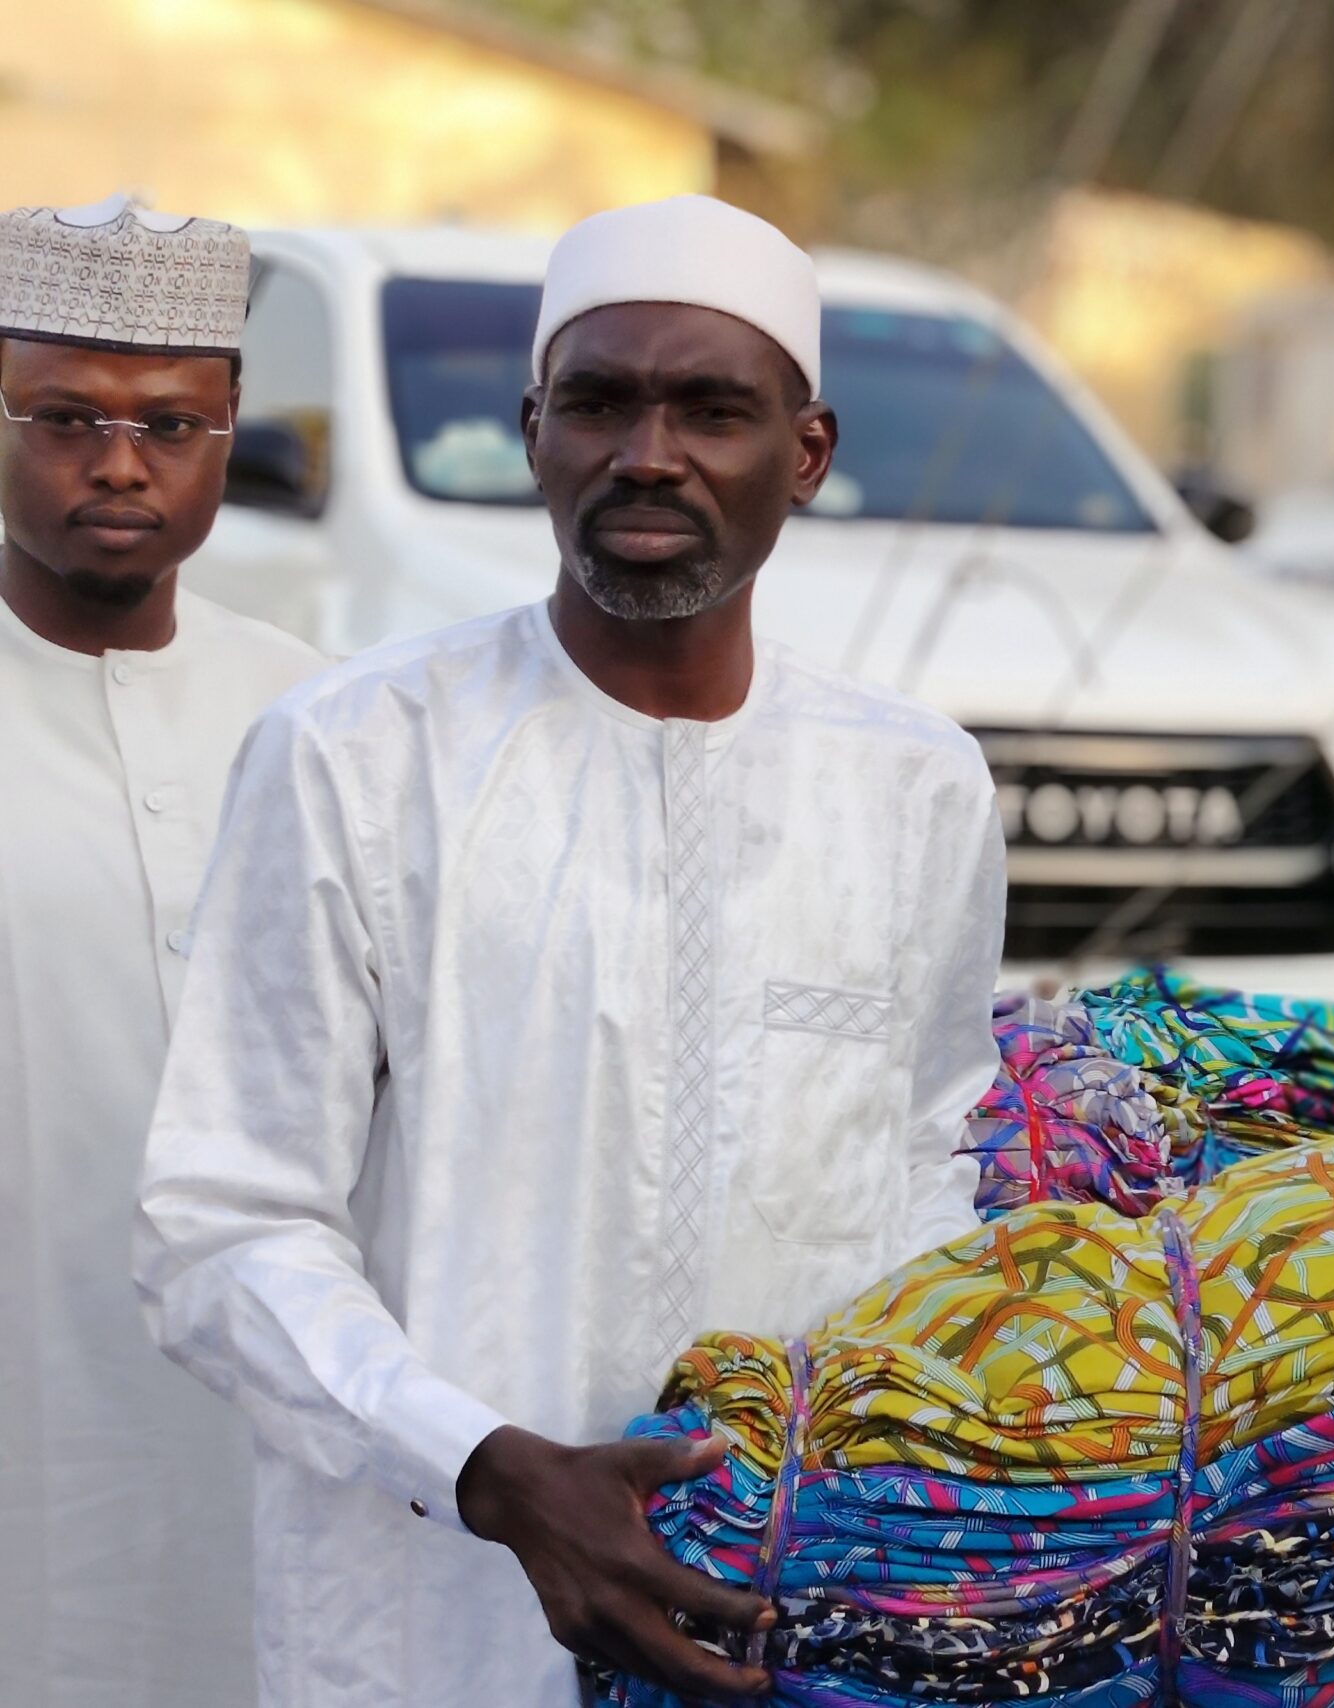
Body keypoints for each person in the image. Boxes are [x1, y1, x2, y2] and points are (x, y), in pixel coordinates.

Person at [134, 195, 1007, 1707]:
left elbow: (932, 1172)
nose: (647, 452)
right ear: (536, 430)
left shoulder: (915, 788)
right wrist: (481, 1468)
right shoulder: (359, 754)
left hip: (790, 1629)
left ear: (806, 453)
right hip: (433, 1618)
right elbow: (223, 1223)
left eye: (712, 409)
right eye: (599, 402)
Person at [0, 195, 324, 1708]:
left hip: (255, 1417)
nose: (120, 465)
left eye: (171, 425)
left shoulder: (318, 717)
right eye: (66, 415)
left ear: (230, 428)